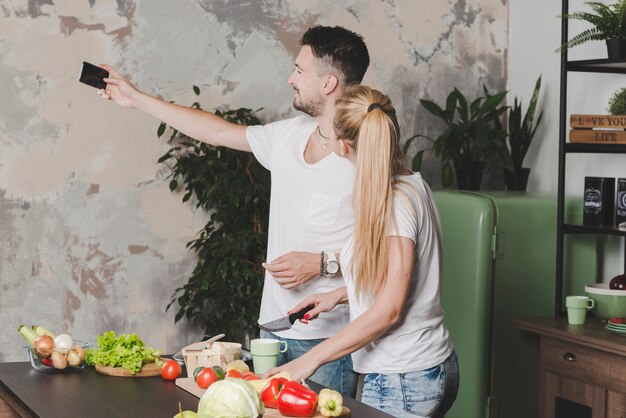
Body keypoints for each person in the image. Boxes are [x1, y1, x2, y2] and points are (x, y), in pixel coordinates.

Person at [96, 25, 369, 396]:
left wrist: (323, 263)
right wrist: (137, 99)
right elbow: (220, 132)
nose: (291, 78)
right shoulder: (289, 134)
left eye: (300, 71)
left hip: (330, 341)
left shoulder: (368, 155)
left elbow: (393, 257)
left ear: (328, 83)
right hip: (272, 331)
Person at [266, 85, 460, 418]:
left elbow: (389, 310)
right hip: (424, 368)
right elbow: (398, 279)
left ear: (343, 147)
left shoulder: (396, 205)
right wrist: (341, 295)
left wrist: (308, 361)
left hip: (403, 379)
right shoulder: (413, 184)